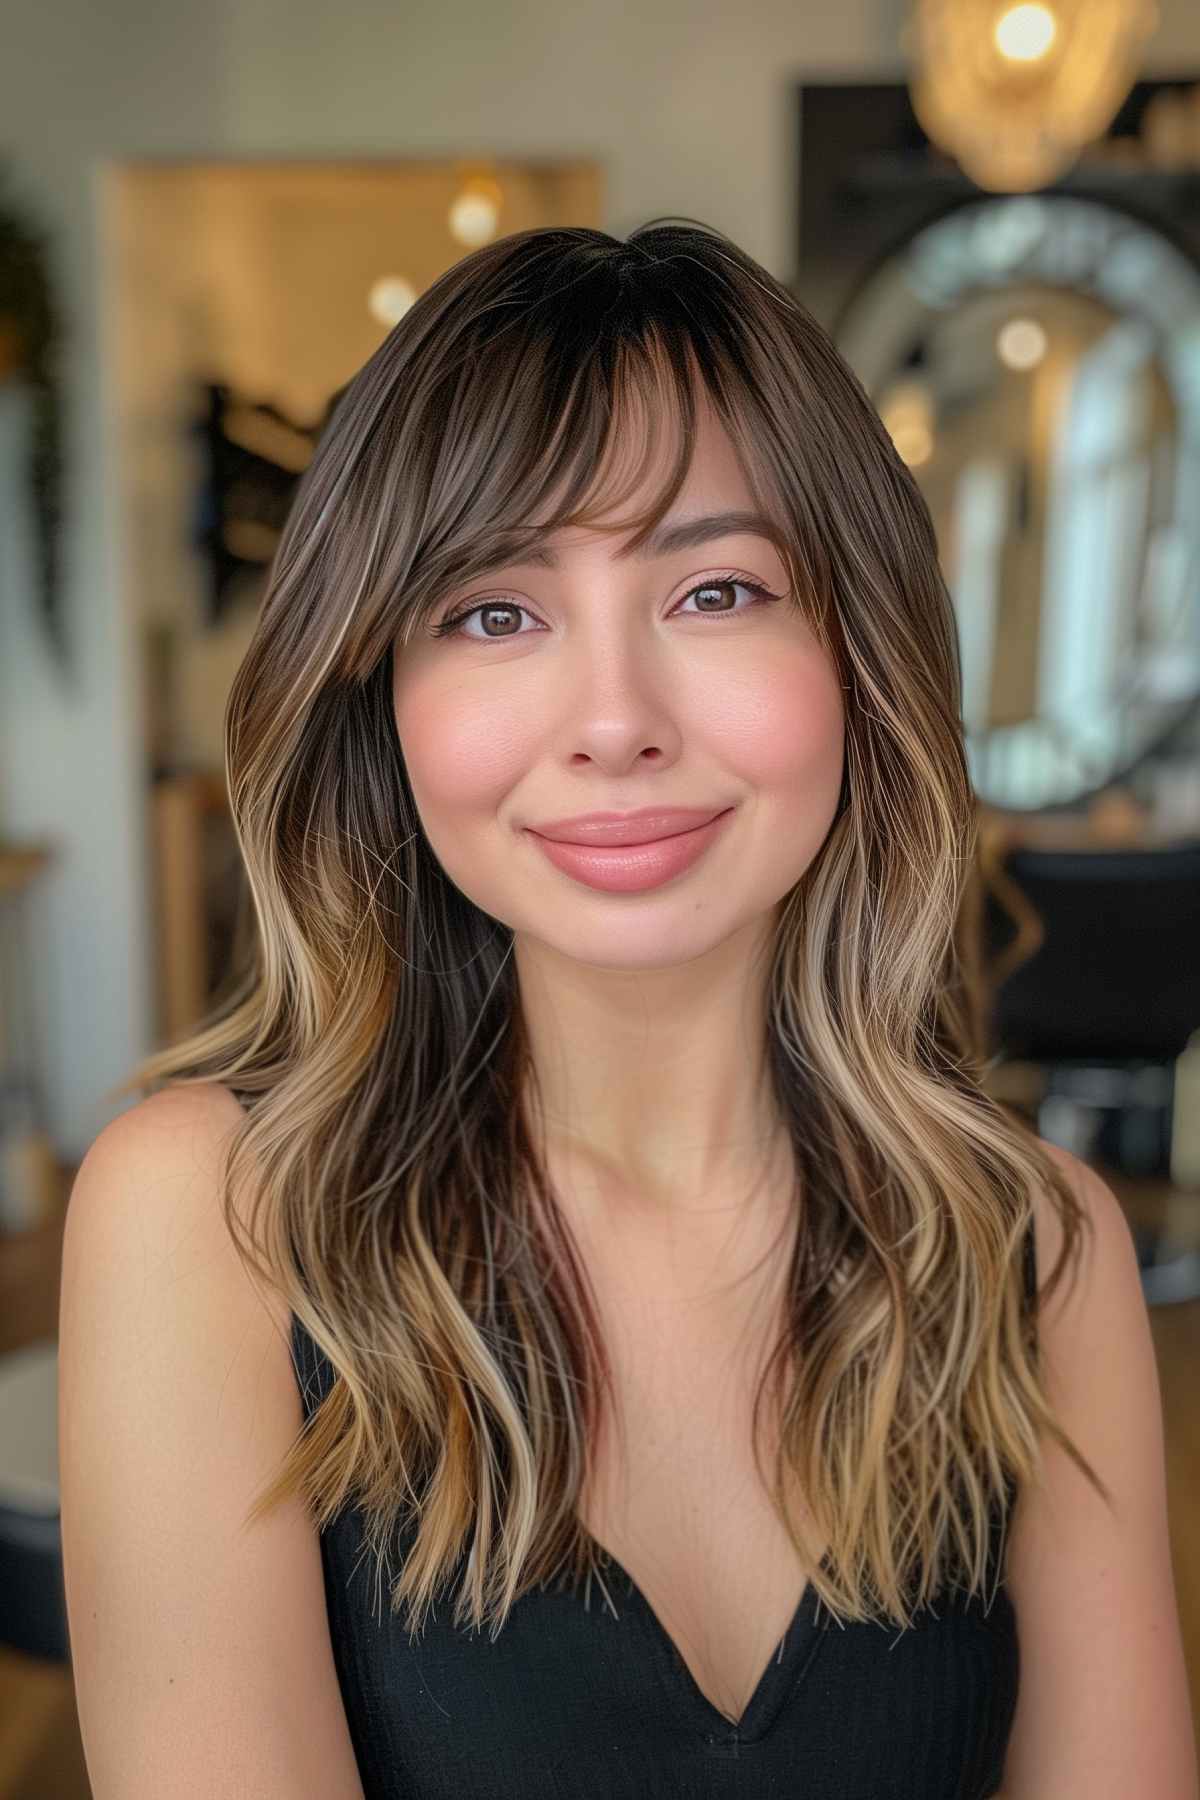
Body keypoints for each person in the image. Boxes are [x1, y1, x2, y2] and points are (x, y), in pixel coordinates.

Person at [58, 220, 1196, 1799]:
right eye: (493, 613)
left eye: (717, 589)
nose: (613, 722)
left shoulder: (1036, 1253)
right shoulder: (212, 1221)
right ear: (381, 696)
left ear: (861, 654)